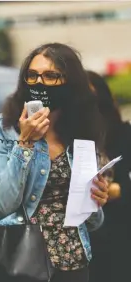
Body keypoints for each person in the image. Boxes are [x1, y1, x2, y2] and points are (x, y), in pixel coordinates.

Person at [0, 43, 109, 282]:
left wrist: (97, 199)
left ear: (70, 82)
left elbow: (92, 222)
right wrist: (25, 144)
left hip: (73, 262)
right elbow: (2, 204)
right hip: (20, 262)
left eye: (51, 76)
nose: (39, 83)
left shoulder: (81, 128)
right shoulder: (2, 128)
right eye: (32, 75)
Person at [86, 70, 131, 282]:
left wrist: (119, 190)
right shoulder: (62, 140)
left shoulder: (124, 135)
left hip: (121, 237)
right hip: (83, 243)